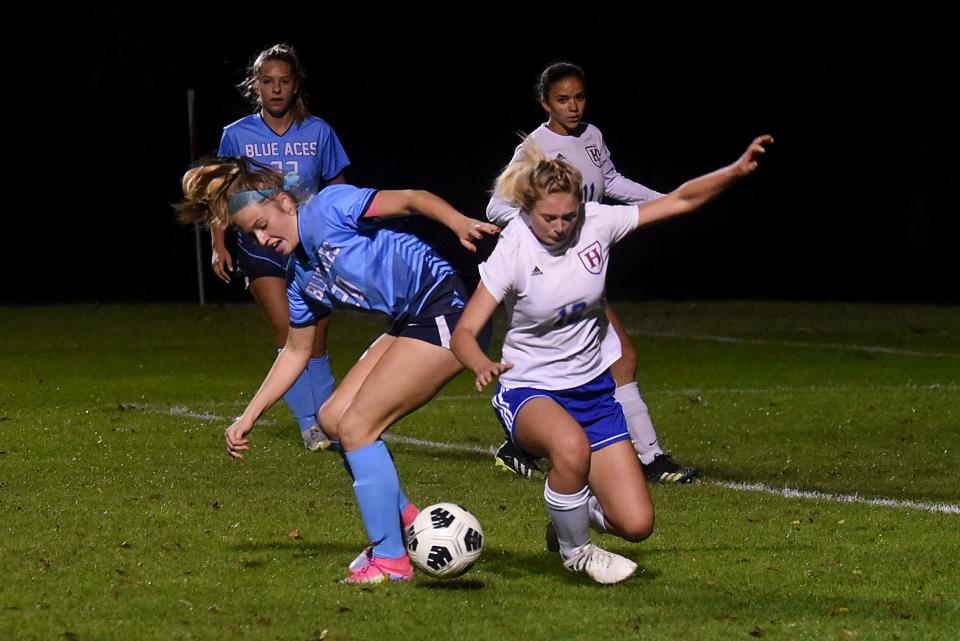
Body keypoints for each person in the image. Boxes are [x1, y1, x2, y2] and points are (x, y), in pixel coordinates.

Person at [454, 135, 773, 582]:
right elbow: (465, 333)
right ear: (527, 209)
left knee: (636, 525)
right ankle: (575, 551)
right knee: (570, 449)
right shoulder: (514, 248)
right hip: (530, 388)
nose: (561, 226)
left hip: (594, 394)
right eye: (549, 217)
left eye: (569, 216)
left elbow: (679, 201)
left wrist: (735, 171)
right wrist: (479, 363)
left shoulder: (598, 222)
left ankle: (566, 515)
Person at [177, 156, 499, 584]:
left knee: (359, 426)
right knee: (331, 419)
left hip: (448, 308)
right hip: (410, 319)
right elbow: (295, 351)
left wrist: (458, 222)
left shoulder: (328, 208)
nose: (260, 237)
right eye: (249, 233)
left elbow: (410, 199)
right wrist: (248, 417)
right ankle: (403, 522)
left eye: (261, 223)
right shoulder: (301, 276)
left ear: (283, 201)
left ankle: (391, 561)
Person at [487, 62, 698, 483]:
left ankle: (519, 445)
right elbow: (496, 207)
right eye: (563, 100)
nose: (573, 107)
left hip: (581, 273)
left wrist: (665, 201)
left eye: (579, 97)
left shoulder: (592, 137)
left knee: (595, 364)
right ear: (545, 102)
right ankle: (651, 460)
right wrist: (543, 232)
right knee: (617, 358)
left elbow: (612, 180)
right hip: (543, 278)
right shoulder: (535, 147)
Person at [213, 44, 350, 451]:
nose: (276, 89)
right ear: (255, 86)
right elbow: (224, 194)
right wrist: (219, 244)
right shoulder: (236, 134)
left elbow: (339, 188)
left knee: (317, 340)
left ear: (296, 85)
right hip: (259, 248)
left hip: (308, 246)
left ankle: (330, 418)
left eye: (284, 81)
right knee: (289, 332)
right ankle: (311, 426)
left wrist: (342, 231)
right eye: (267, 81)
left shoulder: (320, 132)